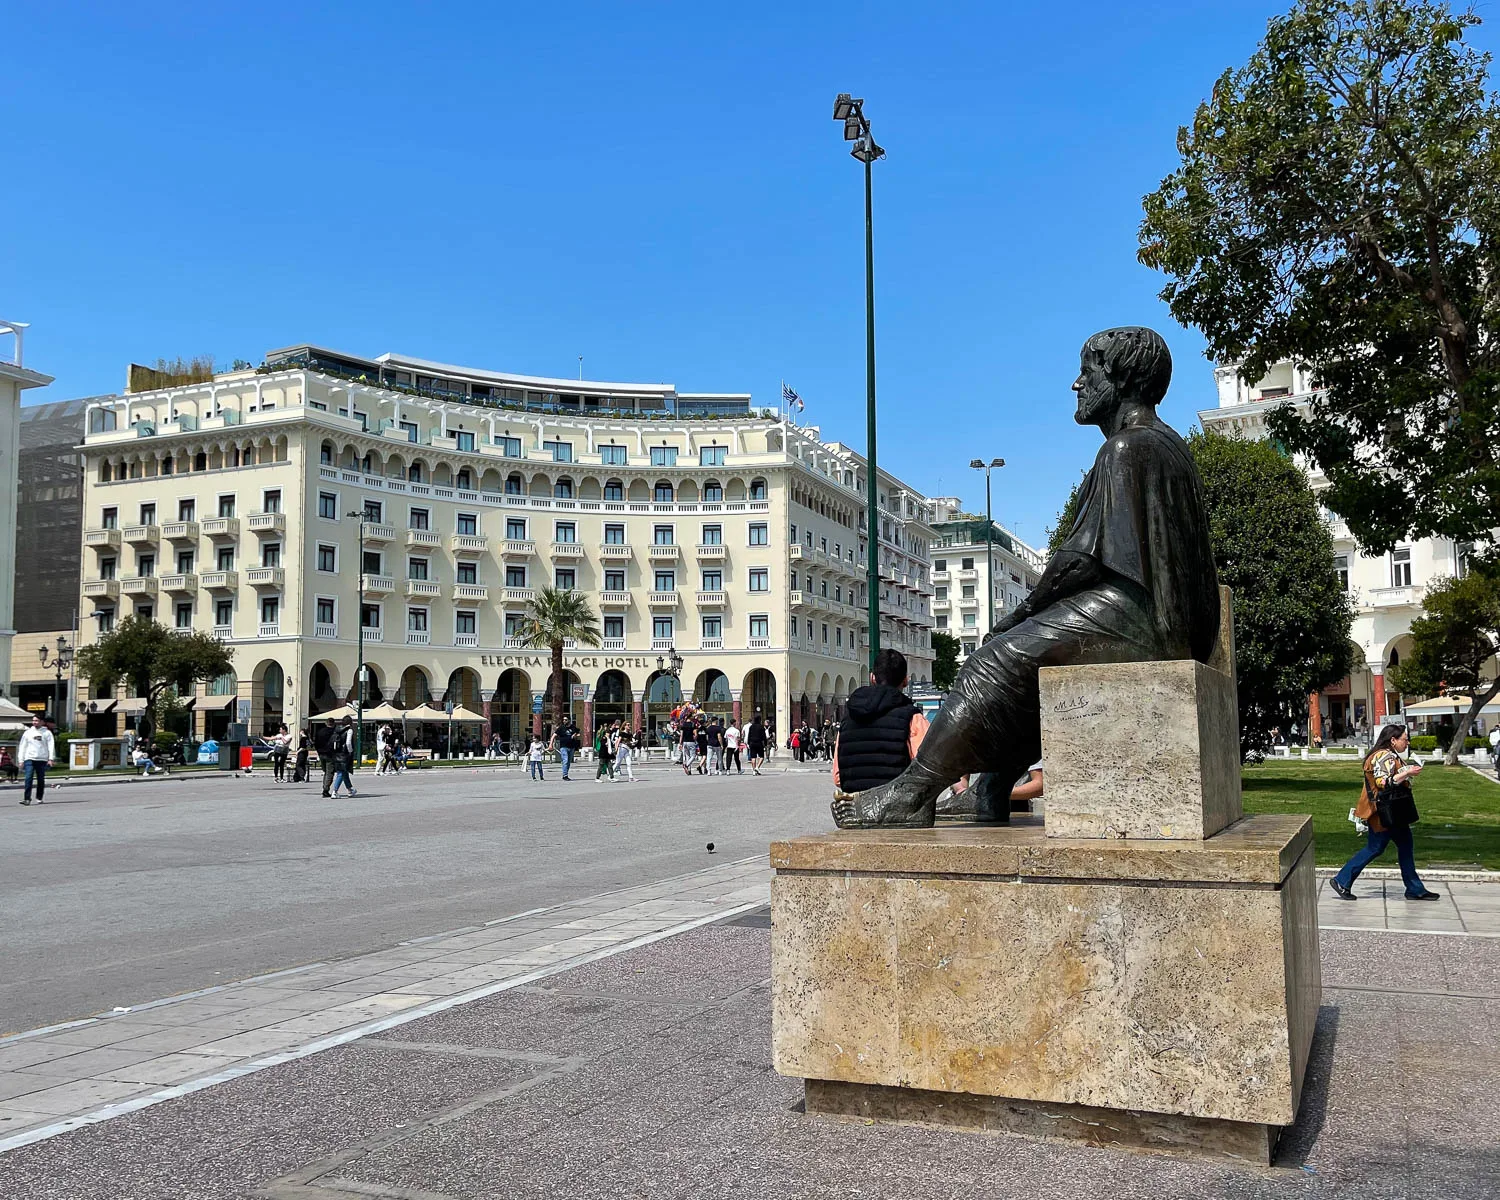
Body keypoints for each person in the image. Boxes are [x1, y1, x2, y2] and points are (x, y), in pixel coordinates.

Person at [834, 327, 1220, 829]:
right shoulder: (1169, 446)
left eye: (1089, 370)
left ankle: (909, 794)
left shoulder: (1126, 449)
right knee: (1032, 672)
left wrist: (1018, 615)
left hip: (1151, 624)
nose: (1076, 384)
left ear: (1121, 378)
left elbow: (1082, 561)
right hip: (1175, 625)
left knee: (993, 663)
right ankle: (991, 789)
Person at [1330, 723, 1441, 902]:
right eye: (1405, 739)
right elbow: (1383, 782)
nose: (1407, 742)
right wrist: (1407, 773)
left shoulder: (1385, 755)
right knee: (1376, 847)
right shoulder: (1384, 756)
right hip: (1385, 812)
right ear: (1393, 740)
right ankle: (1342, 880)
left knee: (1403, 845)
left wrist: (1407, 771)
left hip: (1391, 811)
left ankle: (1414, 888)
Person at [832, 650, 934, 796]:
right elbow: (928, 767)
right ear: (905, 681)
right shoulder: (913, 718)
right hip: (898, 807)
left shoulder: (848, 718)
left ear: (872, 677)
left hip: (856, 810)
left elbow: (838, 776)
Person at [17, 714, 55, 806]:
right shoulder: (28, 732)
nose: (34, 722)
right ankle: (27, 799)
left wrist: (51, 758)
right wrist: (21, 760)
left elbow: (51, 746)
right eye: (33, 720)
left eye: (37, 720)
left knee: (40, 779)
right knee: (28, 778)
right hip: (29, 759)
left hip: (41, 759)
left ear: (42, 722)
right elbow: (23, 746)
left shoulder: (47, 733)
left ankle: (39, 797)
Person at [330, 717, 358, 798]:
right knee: (341, 772)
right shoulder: (349, 730)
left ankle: (350, 789)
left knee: (344, 772)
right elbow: (348, 742)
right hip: (344, 754)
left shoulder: (337, 730)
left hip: (337, 753)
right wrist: (350, 751)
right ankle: (335, 791)